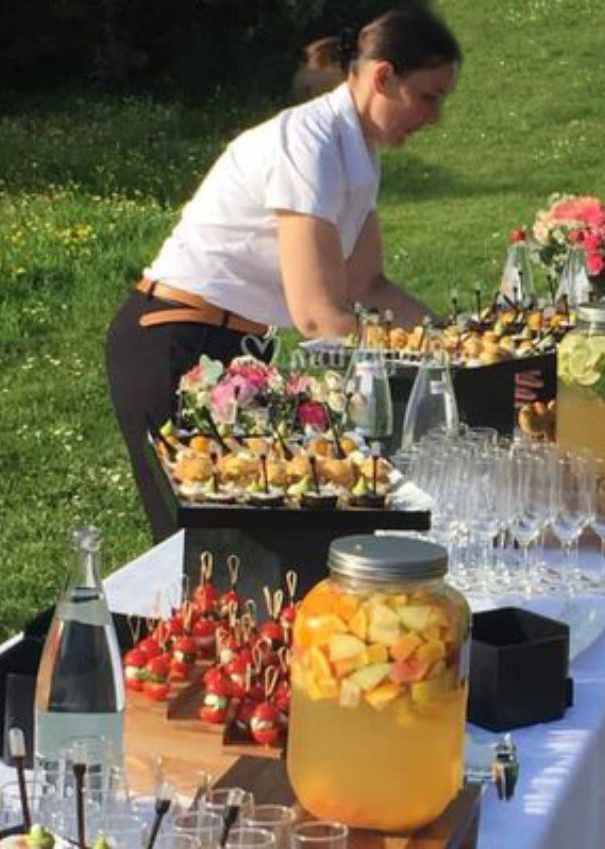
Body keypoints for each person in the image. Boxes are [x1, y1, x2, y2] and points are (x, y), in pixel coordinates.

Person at [105, 6, 462, 541]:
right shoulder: (309, 143)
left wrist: (454, 342)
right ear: (384, 77)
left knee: (254, 545)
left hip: (232, 350)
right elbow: (318, 316)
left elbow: (368, 285)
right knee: (204, 546)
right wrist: (437, 361)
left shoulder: (358, 151)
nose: (435, 117)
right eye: (429, 96)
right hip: (174, 342)